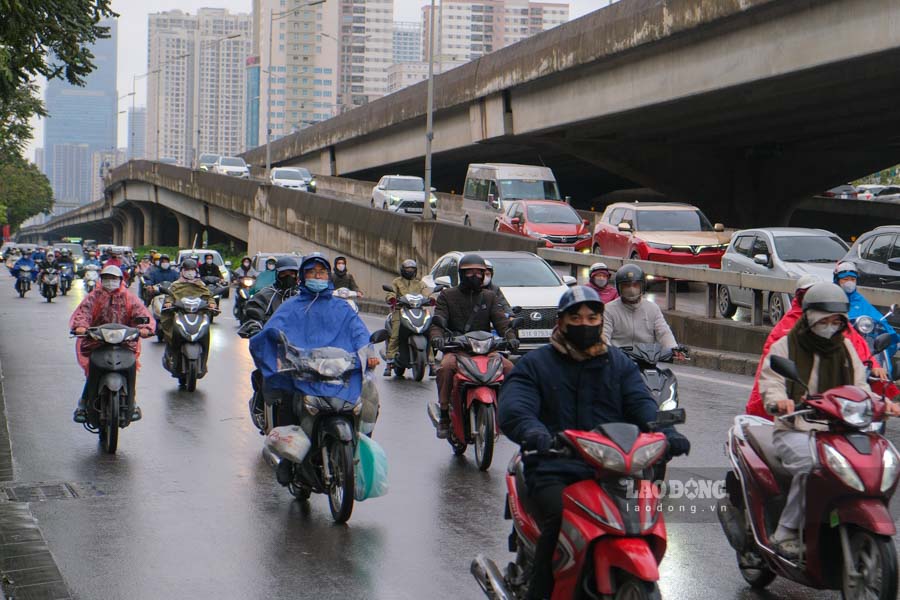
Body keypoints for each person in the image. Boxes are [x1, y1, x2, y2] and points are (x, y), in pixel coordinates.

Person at [498, 286, 690, 600]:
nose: (584, 324)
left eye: (592, 317)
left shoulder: (619, 364)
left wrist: (668, 434)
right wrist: (532, 430)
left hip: (613, 468)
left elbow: (643, 406)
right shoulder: (535, 364)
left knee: (642, 511)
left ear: (602, 320)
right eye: (576, 317)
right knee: (558, 517)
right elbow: (516, 405)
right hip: (553, 466)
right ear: (560, 322)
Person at [760, 282, 900, 559]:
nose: (830, 324)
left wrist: (883, 405)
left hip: (841, 429)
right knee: (813, 468)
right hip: (797, 428)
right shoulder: (785, 345)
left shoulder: (846, 347)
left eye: (837, 320)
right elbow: (772, 382)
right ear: (810, 315)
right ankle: (787, 530)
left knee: (880, 460)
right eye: (825, 318)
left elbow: (861, 388)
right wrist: (780, 401)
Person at [248, 253, 380, 484]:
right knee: (287, 397)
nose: (317, 277)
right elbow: (273, 329)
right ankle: (289, 460)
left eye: (321, 273)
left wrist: (368, 353)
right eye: (312, 273)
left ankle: (359, 444)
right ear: (304, 276)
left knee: (367, 395)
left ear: (328, 276)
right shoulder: (291, 307)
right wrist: (273, 346)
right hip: (303, 372)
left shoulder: (342, 307)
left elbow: (358, 331)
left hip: (337, 371)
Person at [430, 253, 518, 439]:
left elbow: (502, 322)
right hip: (457, 349)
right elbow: (438, 323)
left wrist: (511, 337)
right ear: (461, 273)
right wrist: (437, 338)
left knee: (510, 369)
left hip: (486, 350)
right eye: (470, 272)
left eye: (479, 272)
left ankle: (507, 412)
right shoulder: (447, 295)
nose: (475, 276)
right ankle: (445, 413)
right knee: (445, 368)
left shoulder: (489, 296)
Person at [70, 266, 154, 423]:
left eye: (114, 278)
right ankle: (83, 403)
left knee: (131, 367)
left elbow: (141, 314)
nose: (110, 282)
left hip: (124, 341)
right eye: (107, 278)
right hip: (97, 341)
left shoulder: (129, 298)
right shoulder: (94, 297)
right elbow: (83, 313)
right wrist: (81, 326)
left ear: (121, 280)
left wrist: (145, 328)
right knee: (92, 370)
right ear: (101, 280)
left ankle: (132, 402)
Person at [243, 256, 302, 429]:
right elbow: (252, 315)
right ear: (277, 274)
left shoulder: (304, 297)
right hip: (274, 349)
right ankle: (262, 406)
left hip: (303, 350)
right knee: (265, 373)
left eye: (293, 273)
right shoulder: (266, 295)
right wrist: (255, 328)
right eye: (285, 273)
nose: (289, 276)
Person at [834, 261, 900, 369]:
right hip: (839, 344)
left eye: (853, 279)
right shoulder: (832, 298)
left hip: (864, 342)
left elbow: (877, 318)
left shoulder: (859, 300)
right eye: (845, 279)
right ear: (837, 280)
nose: (849, 282)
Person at [602, 264, 679, 353]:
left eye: (635, 285)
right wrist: (607, 352)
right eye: (626, 286)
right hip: (619, 360)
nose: (631, 289)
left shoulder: (652, 308)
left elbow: (663, 332)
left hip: (648, 359)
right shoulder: (609, 310)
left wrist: (673, 349)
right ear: (619, 288)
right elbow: (604, 335)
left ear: (642, 286)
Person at [160, 259, 217, 376]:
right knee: (171, 330)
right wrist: (169, 303)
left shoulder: (201, 285)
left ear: (196, 271)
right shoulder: (176, 285)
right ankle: (172, 355)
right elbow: (170, 296)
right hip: (180, 315)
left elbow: (208, 296)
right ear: (182, 271)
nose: (190, 273)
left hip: (197, 316)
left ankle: (203, 362)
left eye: (192, 270)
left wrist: (212, 303)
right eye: (187, 270)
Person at [384, 259, 435, 377]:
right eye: (407, 269)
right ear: (402, 270)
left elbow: (427, 293)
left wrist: (431, 298)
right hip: (400, 311)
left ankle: (432, 363)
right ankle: (389, 362)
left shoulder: (419, 283)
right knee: (395, 334)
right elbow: (391, 293)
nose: (410, 271)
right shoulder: (396, 282)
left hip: (418, 310)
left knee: (429, 333)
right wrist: (392, 298)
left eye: (412, 269)